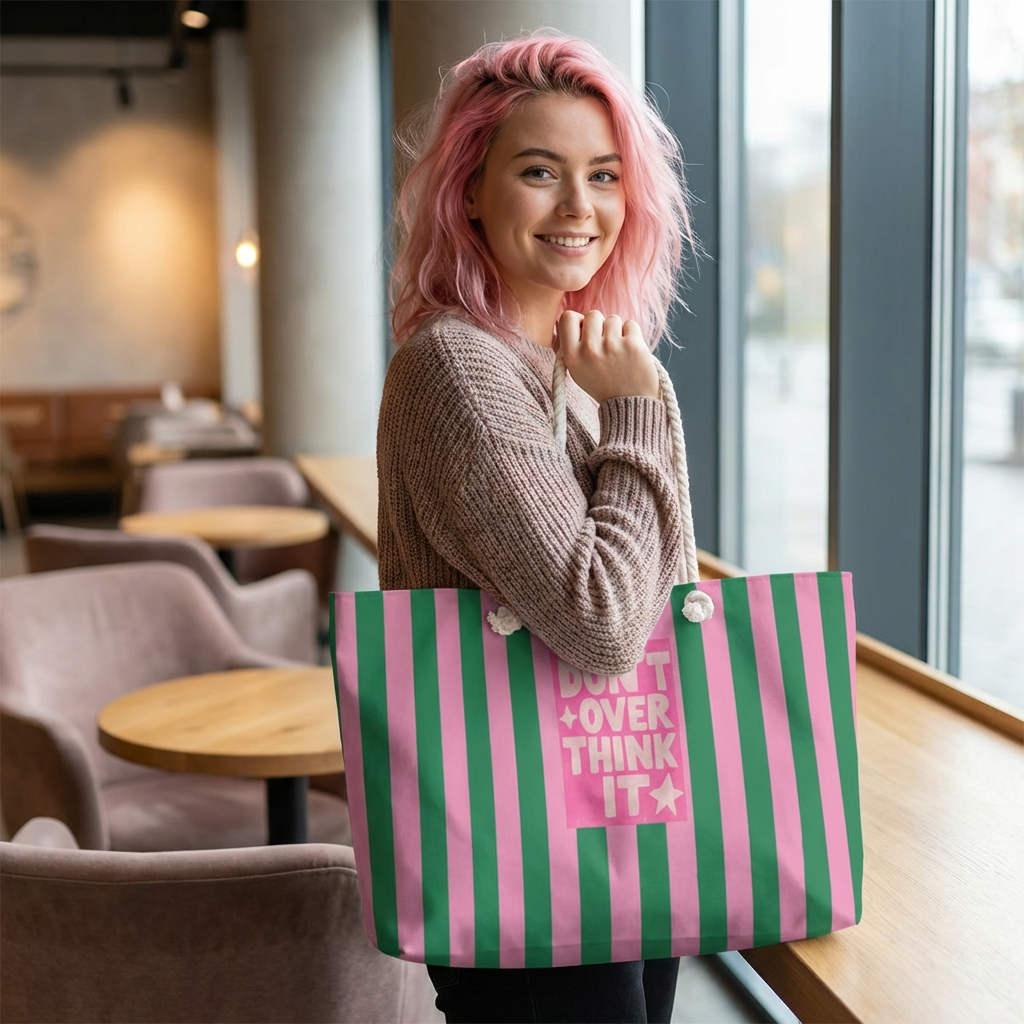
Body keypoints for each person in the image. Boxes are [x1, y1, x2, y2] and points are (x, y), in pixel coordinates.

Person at [378, 33, 693, 1024]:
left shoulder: (577, 362)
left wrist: (637, 400)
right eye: (538, 172)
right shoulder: (460, 370)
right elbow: (604, 623)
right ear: (468, 190)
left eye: (603, 176)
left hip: (618, 813)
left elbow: (663, 577)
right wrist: (641, 407)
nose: (579, 208)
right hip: (521, 838)